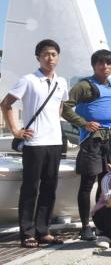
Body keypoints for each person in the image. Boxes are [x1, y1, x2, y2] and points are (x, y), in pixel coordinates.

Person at [1, 39, 68, 248]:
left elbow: (60, 106)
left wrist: (52, 125)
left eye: (54, 54)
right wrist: (16, 131)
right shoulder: (28, 80)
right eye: (46, 54)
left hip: (55, 142)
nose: (50, 58)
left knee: (50, 188)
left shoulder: (62, 82)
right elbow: (6, 104)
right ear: (38, 57)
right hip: (34, 143)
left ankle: (43, 230)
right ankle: (28, 232)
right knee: (30, 189)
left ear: (58, 58)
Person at [62, 48, 111, 241]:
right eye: (100, 63)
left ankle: (101, 223)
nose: (105, 67)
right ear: (94, 65)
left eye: (109, 63)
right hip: (92, 141)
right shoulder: (84, 86)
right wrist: (84, 123)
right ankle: (85, 226)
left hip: (110, 140)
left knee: (106, 182)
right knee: (88, 183)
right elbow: (65, 108)